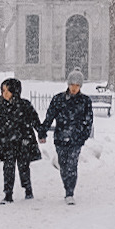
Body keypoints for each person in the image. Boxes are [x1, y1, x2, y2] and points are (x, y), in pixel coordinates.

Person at [38, 69, 94, 205]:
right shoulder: (58, 99)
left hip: (76, 139)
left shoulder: (85, 101)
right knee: (63, 165)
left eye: (77, 85)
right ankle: (66, 185)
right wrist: (42, 131)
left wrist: (83, 137)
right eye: (72, 85)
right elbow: (49, 117)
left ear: (80, 86)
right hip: (60, 137)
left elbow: (89, 121)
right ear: (68, 84)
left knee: (72, 164)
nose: (74, 88)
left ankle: (70, 192)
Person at [0, 77, 42, 204]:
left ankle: (27, 189)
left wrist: (41, 132)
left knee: (23, 167)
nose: (5, 93)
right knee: (8, 168)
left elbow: (34, 120)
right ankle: (8, 193)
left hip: (23, 142)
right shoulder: (2, 107)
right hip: (7, 142)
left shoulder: (24, 105)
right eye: (3, 91)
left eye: (8, 90)